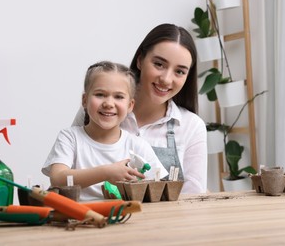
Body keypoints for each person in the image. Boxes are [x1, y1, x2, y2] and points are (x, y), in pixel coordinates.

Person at [73, 23, 208, 193]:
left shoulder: (192, 126)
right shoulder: (100, 111)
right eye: (159, 64)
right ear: (140, 60)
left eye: (179, 72)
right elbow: (68, 179)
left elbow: (194, 196)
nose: (166, 79)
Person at [42, 61, 168, 201]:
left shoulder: (138, 146)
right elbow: (57, 179)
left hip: (126, 218)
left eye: (119, 97)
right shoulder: (70, 138)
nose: (108, 103)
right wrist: (106, 173)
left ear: (130, 105)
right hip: (79, 219)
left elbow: (156, 189)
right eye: (100, 94)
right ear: (84, 100)